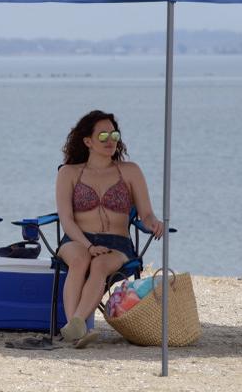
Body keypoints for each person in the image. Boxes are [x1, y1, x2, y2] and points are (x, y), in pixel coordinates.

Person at [56, 110, 164, 347]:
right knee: (81, 260)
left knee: (100, 264)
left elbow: (146, 213)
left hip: (117, 243)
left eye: (114, 134)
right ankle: (77, 326)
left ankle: (74, 325)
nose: (110, 140)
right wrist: (89, 245)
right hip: (76, 240)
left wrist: (153, 223)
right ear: (88, 141)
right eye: (103, 135)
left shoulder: (130, 171)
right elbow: (67, 220)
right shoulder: (69, 173)